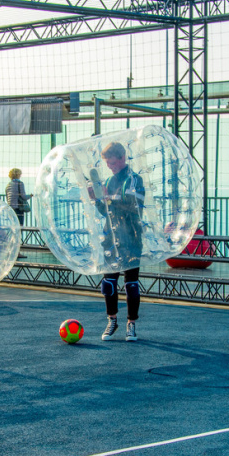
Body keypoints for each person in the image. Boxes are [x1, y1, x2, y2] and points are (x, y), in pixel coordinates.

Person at [89, 142, 145, 342]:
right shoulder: (109, 181)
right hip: (111, 238)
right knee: (108, 284)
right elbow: (106, 211)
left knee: (131, 284)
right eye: (108, 164)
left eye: (112, 163)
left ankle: (131, 323)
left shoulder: (134, 180)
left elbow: (133, 207)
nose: (110, 167)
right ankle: (112, 320)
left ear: (122, 158)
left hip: (132, 238)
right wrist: (97, 200)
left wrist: (108, 199)